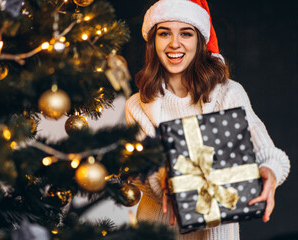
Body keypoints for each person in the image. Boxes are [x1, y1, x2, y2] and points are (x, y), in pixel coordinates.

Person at [124, 0, 291, 239]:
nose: (174, 43)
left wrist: (269, 172)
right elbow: (141, 173)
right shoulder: (137, 104)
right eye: (164, 33)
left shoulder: (227, 93)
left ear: (199, 40)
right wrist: (165, 177)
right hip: (157, 230)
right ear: (153, 41)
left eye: (186, 33)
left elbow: (271, 155)